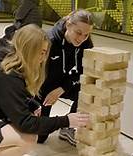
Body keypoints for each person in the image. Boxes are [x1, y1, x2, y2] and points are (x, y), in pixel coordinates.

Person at [0, 24, 89, 156]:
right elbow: (25, 123)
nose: (43, 58)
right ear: (28, 50)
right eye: (41, 52)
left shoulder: (11, 65)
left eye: (45, 53)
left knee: (26, 134)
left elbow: (9, 97)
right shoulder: (7, 75)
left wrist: (31, 104)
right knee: (27, 140)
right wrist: (66, 120)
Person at [36, 9, 94, 146]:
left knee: (89, 89)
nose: (81, 39)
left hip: (64, 84)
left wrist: (61, 89)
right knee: (40, 138)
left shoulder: (86, 44)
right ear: (68, 24)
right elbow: (34, 72)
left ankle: (68, 128)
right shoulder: (49, 40)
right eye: (78, 33)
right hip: (43, 88)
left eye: (86, 35)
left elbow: (84, 73)